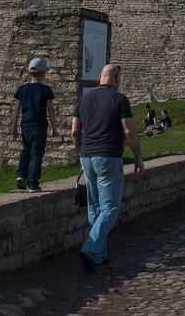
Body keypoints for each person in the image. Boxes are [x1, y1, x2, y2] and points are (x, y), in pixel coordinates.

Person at [71, 63, 145, 273]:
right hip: (109, 156)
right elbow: (129, 132)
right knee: (110, 207)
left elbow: (75, 132)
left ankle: (99, 254)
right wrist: (138, 157)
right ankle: (90, 246)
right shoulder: (119, 99)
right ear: (117, 78)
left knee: (94, 207)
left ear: (100, 78)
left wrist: (81, 153)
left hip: (87, 156)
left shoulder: (84, 99)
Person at [11, 56, 58, 193]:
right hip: (40, 125)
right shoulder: (46, 90)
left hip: (25, 125)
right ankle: (33, 183)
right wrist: (54, 128)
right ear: (43, 73)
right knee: (36, 154)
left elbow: (17, 108)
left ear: (30, 73)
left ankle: (21, 175)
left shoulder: (22, 89)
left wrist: (14, 126)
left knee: (25, 150)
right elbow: (50, 109)